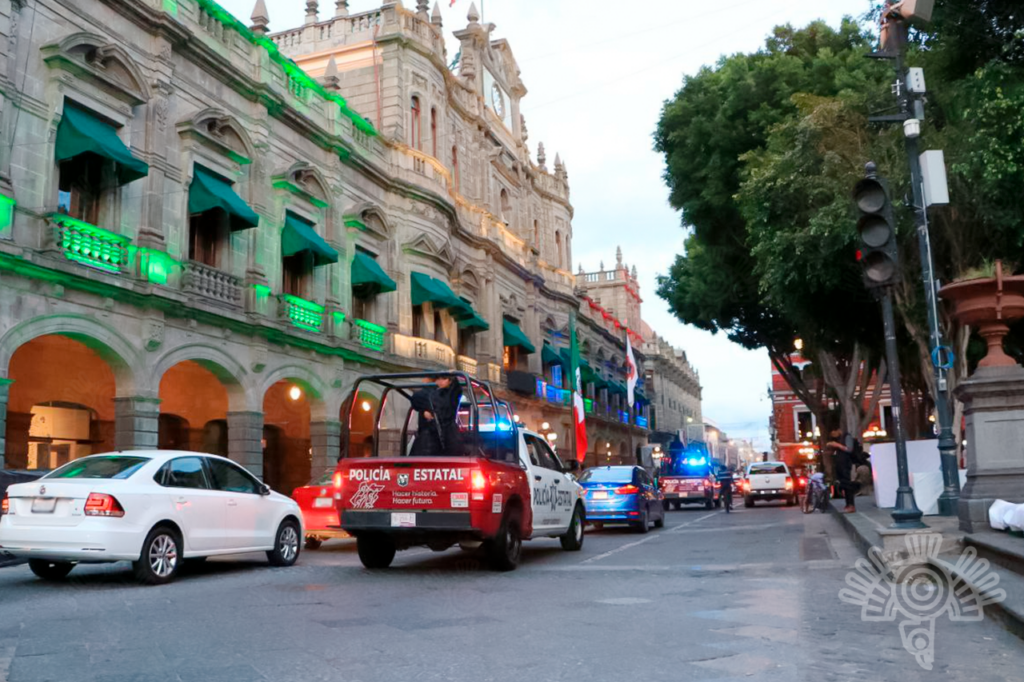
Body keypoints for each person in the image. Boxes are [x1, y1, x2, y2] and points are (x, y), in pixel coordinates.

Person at [409, 375, 463, 457]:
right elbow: (416, 399)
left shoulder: (449, 396)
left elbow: (456, 390)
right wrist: (424, 411)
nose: (440, 381)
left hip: (445, 438)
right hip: (434, 439)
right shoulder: (434, 394)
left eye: (443, 379)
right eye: (438, 379)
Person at [827, 429, 859, 513]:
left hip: (846, 464)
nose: (833, 435)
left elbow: (849, 449)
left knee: (847, 484)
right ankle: (848, 504)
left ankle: (851, 504)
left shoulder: (847, 437)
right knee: (843, 485)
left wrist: (837, 445)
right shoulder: (838, 439)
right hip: (840, 465)